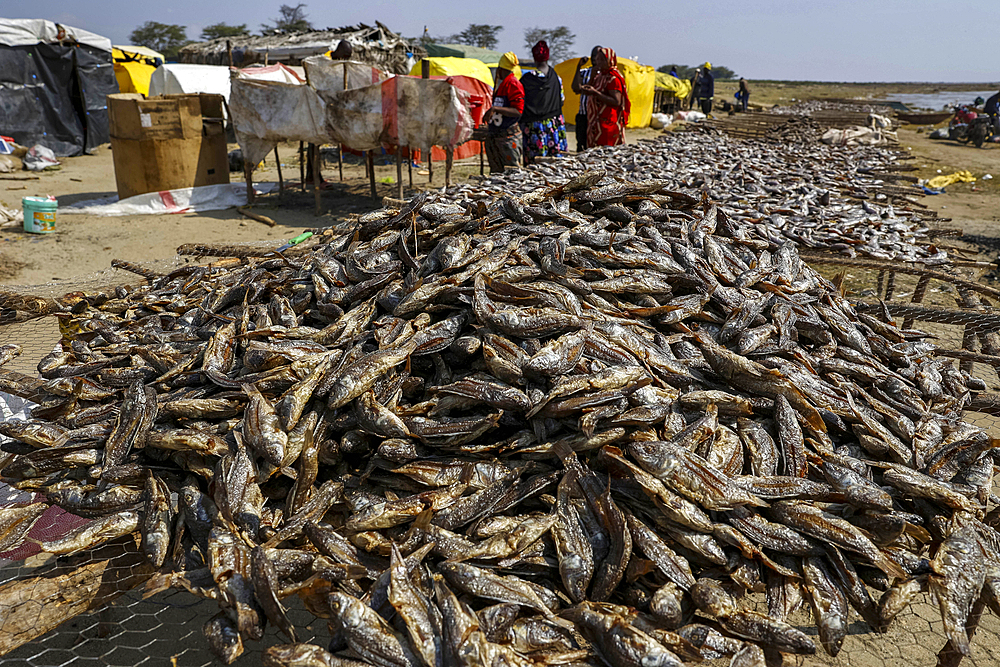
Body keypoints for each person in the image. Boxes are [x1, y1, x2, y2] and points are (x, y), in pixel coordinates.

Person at [520, 41, 568, 164]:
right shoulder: (556, 77)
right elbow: (561, 100)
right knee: (556, 165)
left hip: (534, 127)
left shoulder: (527, 79)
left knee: (535, 167)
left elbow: (520, 102)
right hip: (554, 126)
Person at [579, 47, 630, 147]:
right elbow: (589, 90)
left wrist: (596, 93)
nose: (598, 62)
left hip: (608, 124)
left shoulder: (613, 78)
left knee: (606, 152)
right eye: (597, 59)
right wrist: (592, 78)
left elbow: (616, 101)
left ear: (610, 60)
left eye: (602, 60)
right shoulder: (599, 76)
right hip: (596, 123)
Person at [483, 51, 524, 173]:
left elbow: (518, 111)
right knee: (496, 174)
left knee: (512, 174)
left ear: (501, 69)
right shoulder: (502, 84)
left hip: (508, 138)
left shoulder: (513, 84)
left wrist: (495, 109)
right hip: (496, 136)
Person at [571, 46, 602, 152]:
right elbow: (576, 88)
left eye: (597, 56)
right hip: (583, 114)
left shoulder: (604, 75)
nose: (595, 59)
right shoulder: (584, 72)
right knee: (581, 144)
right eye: (593, 56)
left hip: (598, 116)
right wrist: (578, 67)